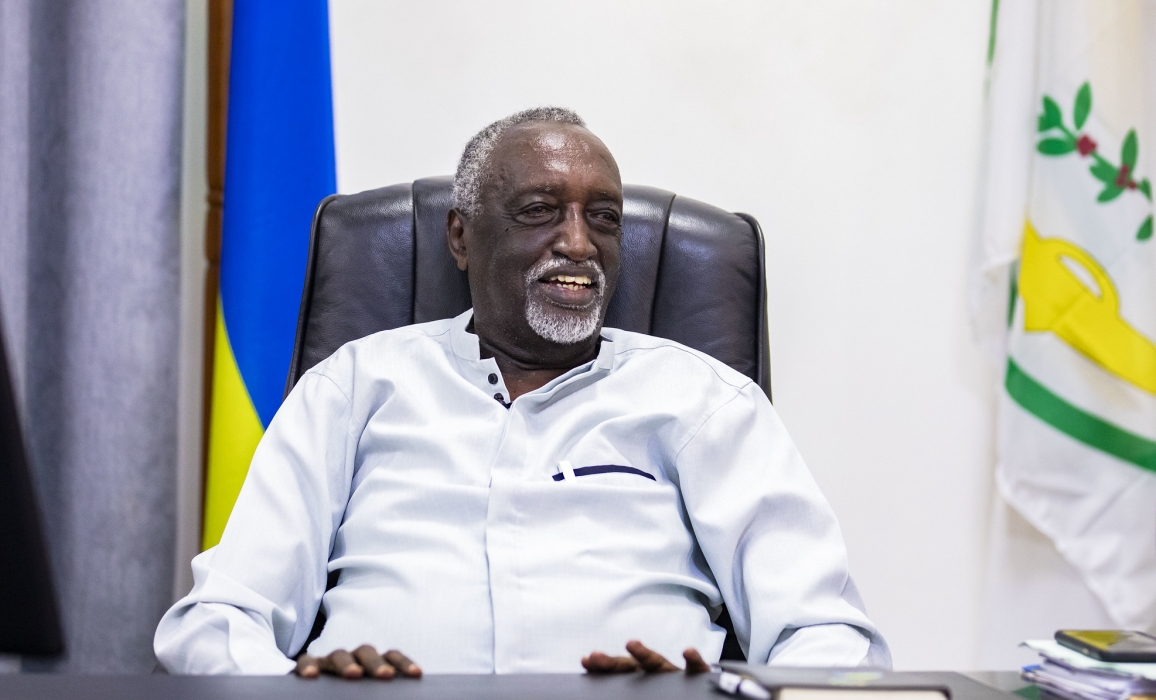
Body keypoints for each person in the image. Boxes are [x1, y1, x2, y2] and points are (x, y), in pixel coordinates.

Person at [154, 107, 890, 677]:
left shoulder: (704, 403)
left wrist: (705, 696)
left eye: (603, 219)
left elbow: (827, 638)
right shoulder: (355, 386)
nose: (578, 243)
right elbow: (218, 622)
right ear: (462, 237)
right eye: (540, 210)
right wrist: (302, 682)